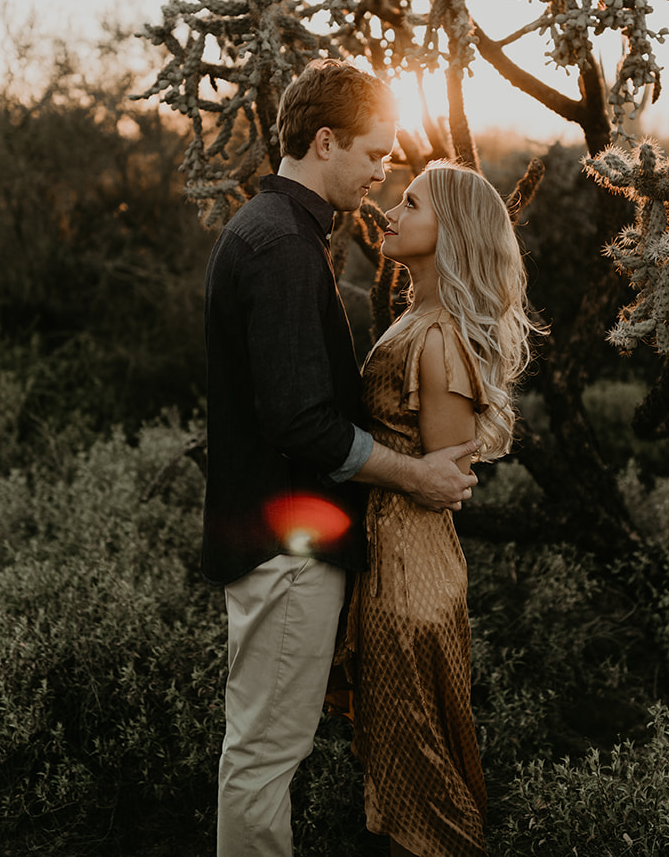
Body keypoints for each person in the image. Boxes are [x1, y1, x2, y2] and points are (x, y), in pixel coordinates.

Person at [202, 58, 479, 857]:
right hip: (286, 548)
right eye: (373, 155)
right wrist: (414, 474)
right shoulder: (285, 247)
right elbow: (301, 422)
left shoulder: (266, 230)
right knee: (263, 753)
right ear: (326, 142)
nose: (381, 174)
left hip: (271, 537)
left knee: (256, 745)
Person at [334, 160, 539, 857]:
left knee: (425, 782)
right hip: (390, 561)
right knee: (405, 767)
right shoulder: (417, 315)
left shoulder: (441, 335)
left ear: (447, 230)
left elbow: (447, 475)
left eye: (411, 202)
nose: (391, 210)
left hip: (410, 579)